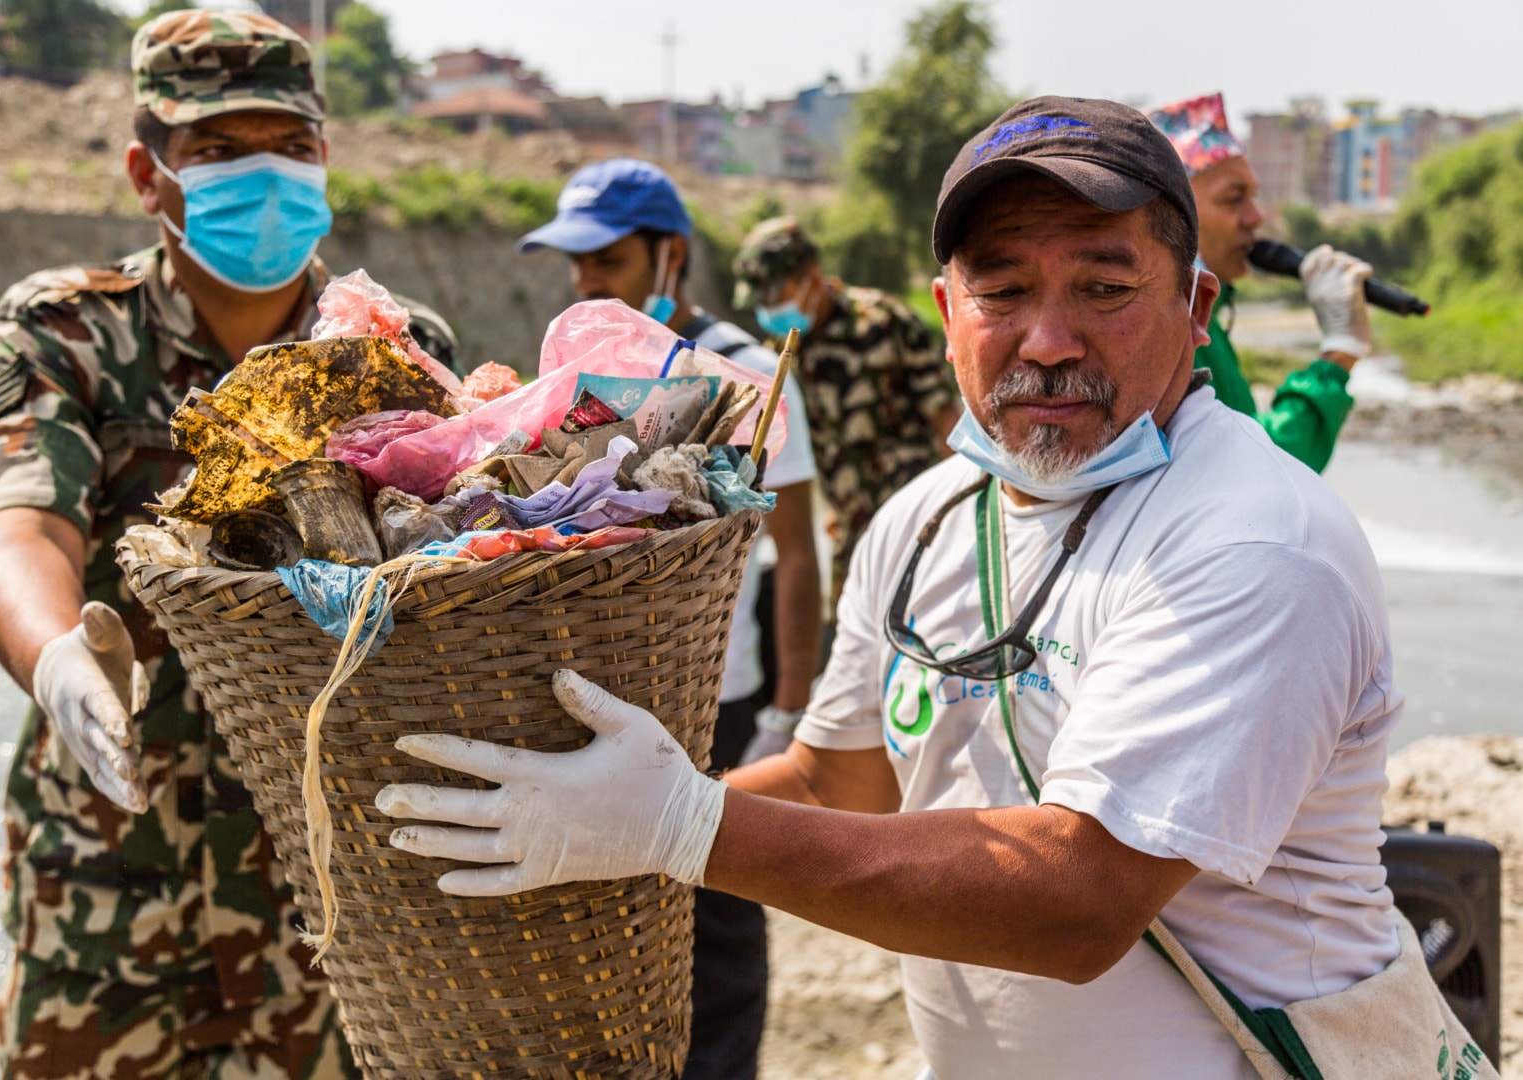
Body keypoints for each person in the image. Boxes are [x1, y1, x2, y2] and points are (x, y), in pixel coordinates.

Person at [372, 97, 1494, 1078]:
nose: (1048, 341)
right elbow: (843, 782)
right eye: (1002, 292)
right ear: (947, 313)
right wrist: (555, 820)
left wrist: (682, 826)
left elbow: (1079, 899)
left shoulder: (1255, 539)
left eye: (1106, 287)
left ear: (1197, 309)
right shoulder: (926, 521)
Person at [0, 11, 456, 1078]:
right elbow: (20, 516)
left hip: (329, 902)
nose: (263, 176)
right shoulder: (67, 333)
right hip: (109, 886)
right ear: (149, 172)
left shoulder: (393, 355)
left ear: (326, 156)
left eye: (289, 145)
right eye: (220, 151)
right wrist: (56, 658)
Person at [516, 158, 822, 1080]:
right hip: (597, 680)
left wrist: (788, 708)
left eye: (605, 259)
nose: (586, 283)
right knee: (600, 915)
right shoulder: (575, 370)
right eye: (574, 266)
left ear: (669, 255)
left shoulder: (745, 373)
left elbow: (799, 550)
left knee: (717, 912)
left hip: (710, 690)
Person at [731, 217, 959, 611]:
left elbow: (948, 426)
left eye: (776, 294)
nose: (769, 309)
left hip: (920, 530)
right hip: (851, 542)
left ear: (811, 276)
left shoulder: (884, 322)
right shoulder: (781, 355)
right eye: (761, 302)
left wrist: (962, 520)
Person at [1148, 92, 1372, 472]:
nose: (1256, 217)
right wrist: (1337, 355)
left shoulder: (1202, 308)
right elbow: (1257, 466)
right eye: (1234, 200)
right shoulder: (1166, 322)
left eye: (1254, 197)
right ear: (1172, 213)